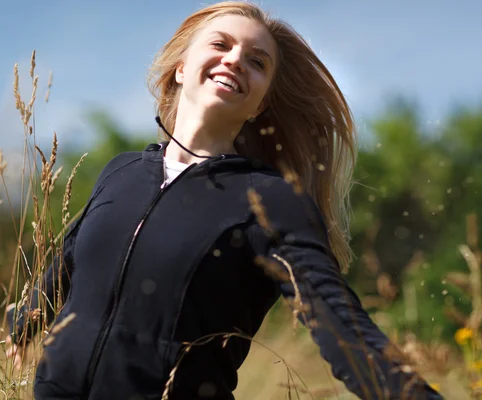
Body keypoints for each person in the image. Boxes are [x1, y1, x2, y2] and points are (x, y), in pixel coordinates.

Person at [6, 2, 443, 399]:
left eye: (257, 62)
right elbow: (67, 259)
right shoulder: (121, 172)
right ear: (180, 67)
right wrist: (20, 325)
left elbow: (339, 324)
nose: (235, 59)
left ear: (259, 104)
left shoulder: (270, 200)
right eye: (221, 43)